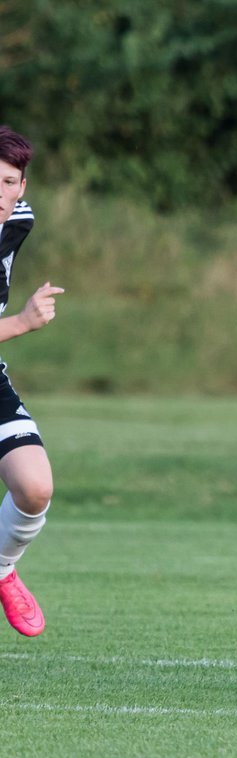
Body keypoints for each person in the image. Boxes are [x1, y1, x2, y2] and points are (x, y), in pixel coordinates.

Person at [0, 126, 64, 637]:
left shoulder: (19, 219)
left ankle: (1, 567)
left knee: (35, 486)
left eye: (8, 181)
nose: (0, 195)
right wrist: (22, 322)